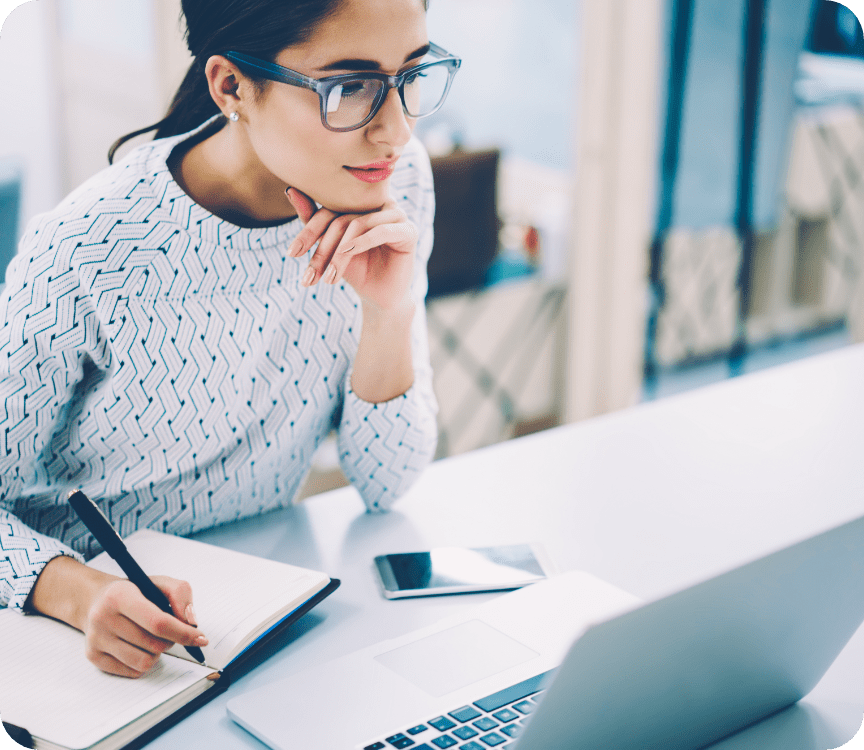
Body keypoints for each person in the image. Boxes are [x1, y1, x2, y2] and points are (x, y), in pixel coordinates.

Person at [0, 0, 457, 678]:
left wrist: (391, 308)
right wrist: (78, 593)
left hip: (259, 615)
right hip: (79, 643)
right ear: (231, 87)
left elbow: (387, 482)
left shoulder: (393, 184)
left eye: (412, 75)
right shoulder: (88, 250)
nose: (394, 130)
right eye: (350, 86)